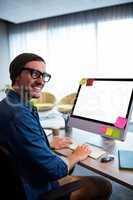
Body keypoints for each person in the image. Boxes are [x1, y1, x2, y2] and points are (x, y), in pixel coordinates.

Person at [0, 53, 112, 200]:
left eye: (44, 75)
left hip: (22, 178)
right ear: (17, 75)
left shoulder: (7, 105)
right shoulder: (19, 115)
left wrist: (46, 144)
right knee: (103, 184)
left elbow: (17, 144)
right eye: (35, 74)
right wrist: (75, 155)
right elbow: (55, 170)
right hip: (36, 190)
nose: (41, 81)